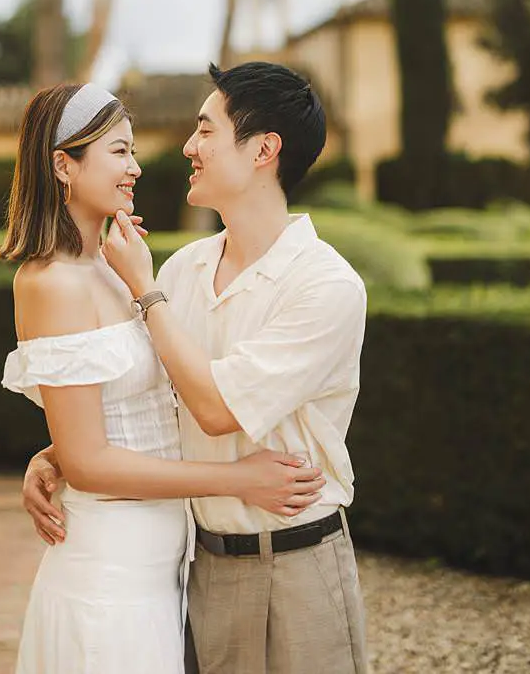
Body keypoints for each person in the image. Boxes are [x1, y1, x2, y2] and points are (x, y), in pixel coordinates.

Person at [20, 62, 371, 673]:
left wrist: (145, 294)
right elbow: (153, 399)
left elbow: (212, 408)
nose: (187, 146)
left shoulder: (326, 286)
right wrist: (61, 454)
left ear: (264, 149)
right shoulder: (180, 270)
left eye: (206, 130)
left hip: (298, 561)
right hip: (200, 567)